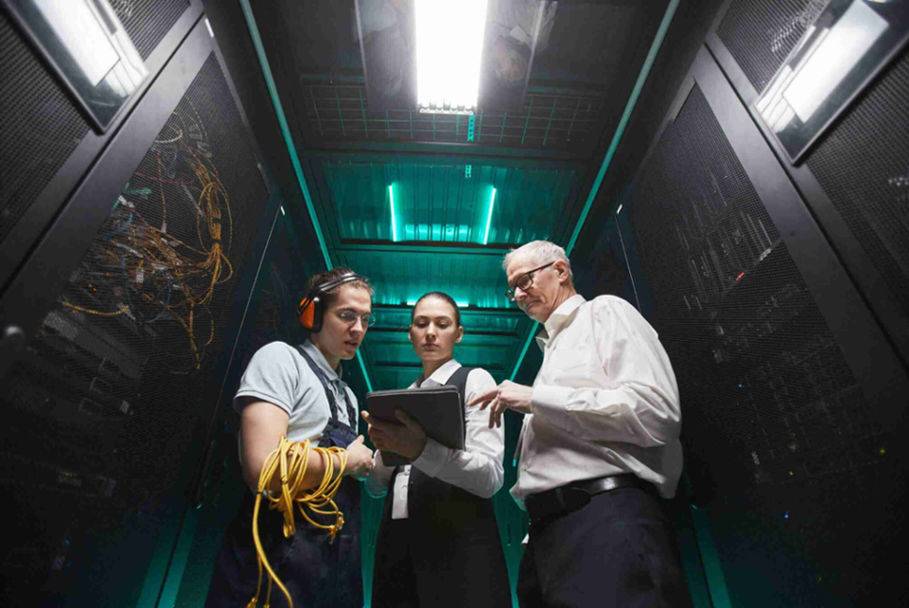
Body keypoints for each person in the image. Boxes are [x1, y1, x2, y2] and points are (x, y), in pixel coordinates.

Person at [470, 240, 691, 607]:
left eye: (525, 280)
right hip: (550, 537)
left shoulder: (605, 312)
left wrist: (534, 399)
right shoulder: (553, 349)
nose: (520, 294)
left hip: (606, 521)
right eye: (514, 290)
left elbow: (657, 411)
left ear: (560, 271)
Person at [205, 268, 377, 608]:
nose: (357, 329)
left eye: (365, 319)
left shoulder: (349, 397)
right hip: (275, 554)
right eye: (346, 315)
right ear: (312, 314)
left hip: (333, 560)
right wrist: (346, 461)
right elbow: (264, 469)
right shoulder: (280, 359)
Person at [362, 291, 510, 608]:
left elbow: (490, 478)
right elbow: (375, 489)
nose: (431, 332)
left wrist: (420, 450)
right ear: (410, 334)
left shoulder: (475, 379)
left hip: (458, 549)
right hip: (396, 547)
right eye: (421, 323)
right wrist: (385, 449)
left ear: (459, 333)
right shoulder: (401, 396)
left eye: (442, 324)